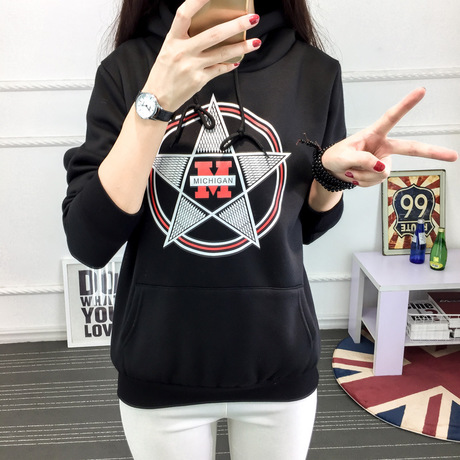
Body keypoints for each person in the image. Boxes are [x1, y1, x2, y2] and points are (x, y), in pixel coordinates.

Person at [62, 0, 458, 458]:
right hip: (160, 358)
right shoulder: (128, 68)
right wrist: (155, 104)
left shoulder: (314, 71)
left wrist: (331, 176)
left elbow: (307, 226)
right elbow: (89, 241)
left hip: (278, 359)